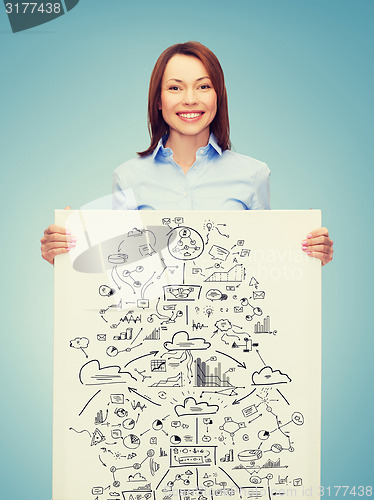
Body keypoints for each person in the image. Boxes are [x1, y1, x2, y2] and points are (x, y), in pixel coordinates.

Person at [41, 41, 333, 265]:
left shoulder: (253, 174)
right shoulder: (128, 176)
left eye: (203, 86)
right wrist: (66, 253)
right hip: (155, 330)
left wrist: (308, 252)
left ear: (218, 95)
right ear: (158, 99)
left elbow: (265, 259)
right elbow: (122, 264)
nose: (190, 99)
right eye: (175, 88)